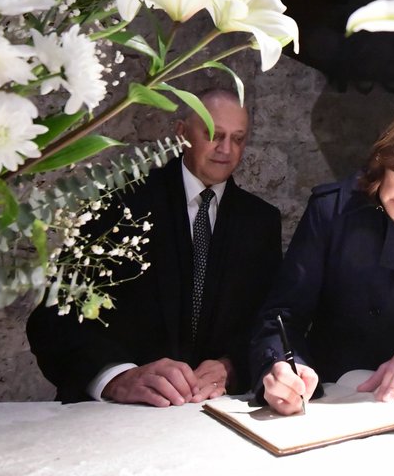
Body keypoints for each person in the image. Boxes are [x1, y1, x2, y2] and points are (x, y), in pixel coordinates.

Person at [26, 88, 282, 405]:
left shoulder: (261, 221)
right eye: (213, 134)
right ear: (181, 132)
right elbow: (52, 319)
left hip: (218, 419)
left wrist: (234, 366)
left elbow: (270, 321)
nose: (226, 149)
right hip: (118, 420)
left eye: (238, 139)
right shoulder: (119, 202)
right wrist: (115, 377)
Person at [250, 102, 394, 416]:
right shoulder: (332, 211)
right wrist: (281, 366)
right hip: (345, 396)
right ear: (384, 159)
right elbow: (283, 314)